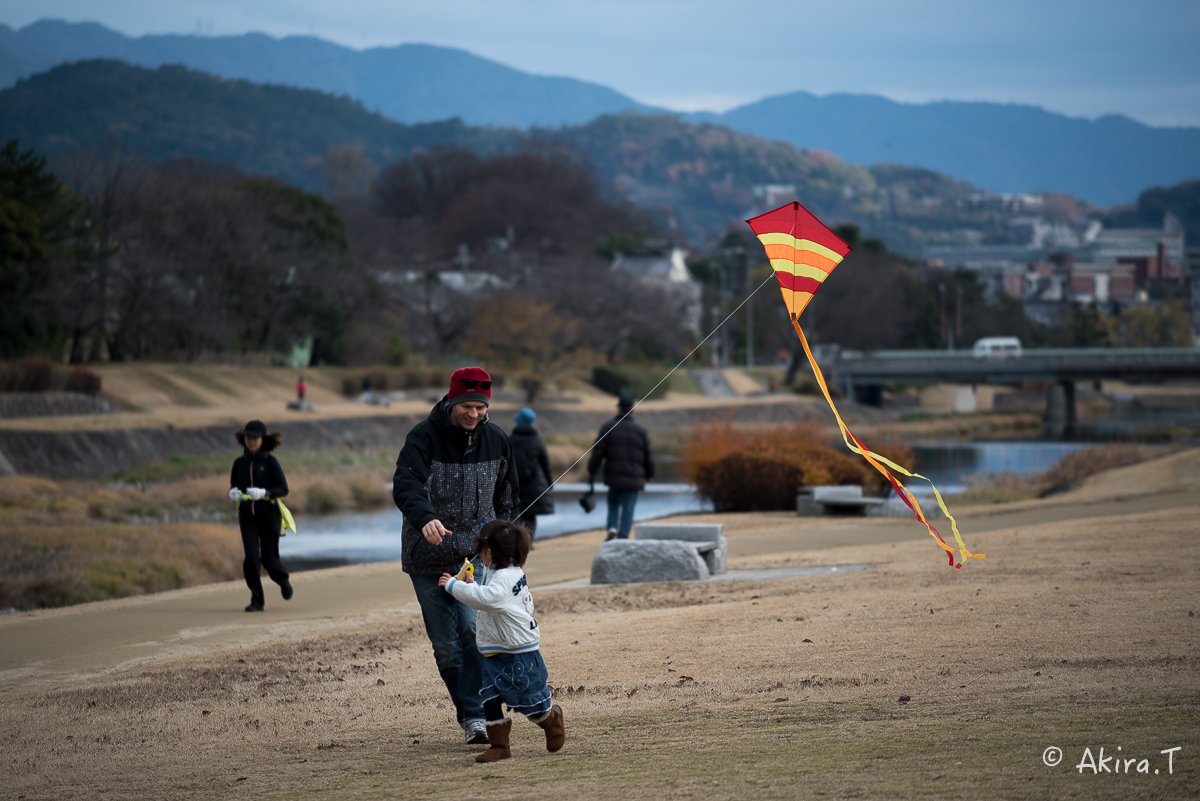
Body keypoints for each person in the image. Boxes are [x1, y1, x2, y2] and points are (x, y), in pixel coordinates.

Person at [392, 367, 520, 745]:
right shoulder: (422, 438)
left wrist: (503, 544)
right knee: (447, 648)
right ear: (451, 401)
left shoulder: (496, 439)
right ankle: (469, 714)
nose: (474, 414)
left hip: (473, 558)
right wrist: (425, 518)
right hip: (426, 558)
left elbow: (507, 497)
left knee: (471, 632)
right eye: (467, 406)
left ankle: (477, 717)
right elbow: (405, 485)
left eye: (480, 407)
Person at [438, 520, 565, 762]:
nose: (479, 559)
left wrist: (453, 586)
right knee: (490, 698)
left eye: (481, 553)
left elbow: (488, 599)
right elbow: (488, 595)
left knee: (531, 704)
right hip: (496, 651)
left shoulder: (506, 577)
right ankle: (500, 745)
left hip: (519, 651)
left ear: (489, 553)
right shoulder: (500, 573)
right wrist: (472, 584)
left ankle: (551, 720)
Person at [228, 420, 293, 612]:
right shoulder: (239, 463)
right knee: (251, 559)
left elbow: (283, 489)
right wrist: (232, 493)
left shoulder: (271, 462)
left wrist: (264, 493)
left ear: (262, 440)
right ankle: (257, 601)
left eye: (255, 438)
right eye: (248, 437)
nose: (252, 441)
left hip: (269, 515)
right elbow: (235, 486)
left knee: (269, 560)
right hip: (247, 516)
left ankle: (283, 581)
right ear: (244, 439)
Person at [587, 390, 654, 541]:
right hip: (634, 478)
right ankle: (623, 536)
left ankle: (611, 527)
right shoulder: (641, 430)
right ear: (633, 409)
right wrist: (650, 474)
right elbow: (648, 455)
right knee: (628, 507)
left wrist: (591, 470)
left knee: (613, 504)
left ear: (618, 408)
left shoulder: (608, 427)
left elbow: (598, 451)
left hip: (614, 476)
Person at [509, 407, 554, 544]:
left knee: (515, 515)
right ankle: (528, 543)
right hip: (534, 485)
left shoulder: (509, 439)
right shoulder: (537, 440)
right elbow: (545, 464)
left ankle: (515, 543)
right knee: (530, 517)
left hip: (514, 484)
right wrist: (549, 484)